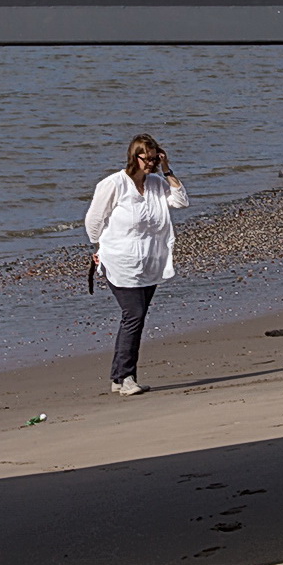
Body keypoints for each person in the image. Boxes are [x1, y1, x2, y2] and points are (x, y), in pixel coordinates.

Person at [85, 134, 189, 396]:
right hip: (120, 261)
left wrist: (167, 170)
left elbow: (180, 201)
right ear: (135, 157)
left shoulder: (156, 183)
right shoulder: (114, 184)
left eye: (156, 159)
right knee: (133, 315)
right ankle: (126, 378)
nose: (151, 164)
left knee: (135, 319)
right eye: (148, 159)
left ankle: (120, 377)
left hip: (150, 262)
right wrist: (99, 248)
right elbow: (94, 221)